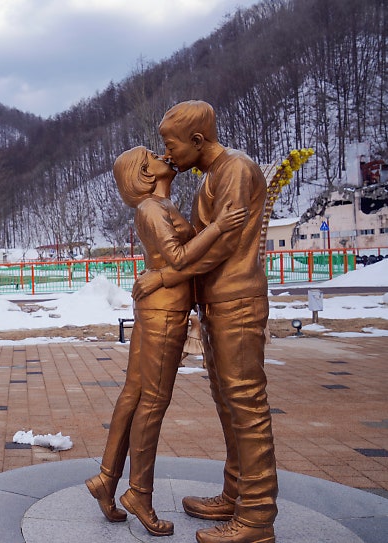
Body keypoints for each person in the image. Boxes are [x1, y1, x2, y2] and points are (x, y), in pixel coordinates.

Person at [134, 100, 278, 543]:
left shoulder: (235, 169)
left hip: (236, 300)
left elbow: (221, 245)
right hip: (215, 303)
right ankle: (235, 493)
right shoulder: (215, 176)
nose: (168, 153)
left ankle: (256, 516)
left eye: (170, 143)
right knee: (228, 402)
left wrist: (164, 274)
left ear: (197, 140)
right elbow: (201, 240)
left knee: (247, 404)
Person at [85, 146, 247, 537]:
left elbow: (171, 261)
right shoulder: (151, 209)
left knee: (134, 393)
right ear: (145, 172)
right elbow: (176, 258)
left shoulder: (159, 206)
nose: (165, 158)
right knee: (152, 401)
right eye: (154, 156)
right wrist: (220, 227)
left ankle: (107, 479)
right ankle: (139, 492)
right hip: (165, 310)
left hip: (159, 304)